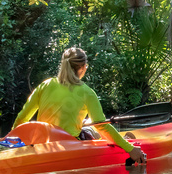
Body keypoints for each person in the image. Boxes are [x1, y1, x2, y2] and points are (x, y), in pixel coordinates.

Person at [12, 47, 147, 165]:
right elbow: (102, 126)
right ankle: (126, 141)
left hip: (42, 143)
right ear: (83, 68)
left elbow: (21, 119)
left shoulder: (45, 85)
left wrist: (13, 144)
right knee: (93, 127)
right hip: (70, 145)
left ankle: (116, 137)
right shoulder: (87, 92)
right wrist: (130, 149)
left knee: (87, 123)